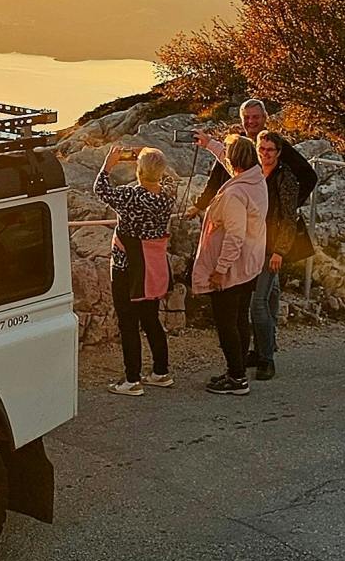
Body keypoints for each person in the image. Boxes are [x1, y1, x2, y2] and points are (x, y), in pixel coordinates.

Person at [93, 144, 175, 395]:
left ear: (138, 170)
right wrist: (150, 155)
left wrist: (109, 162)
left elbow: (100, 188)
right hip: (154, 266)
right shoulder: (167, 196)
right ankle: (161, 372)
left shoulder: (130, 196)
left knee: (128, 323)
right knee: (151, 320)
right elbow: (171, 179)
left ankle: (132, 379)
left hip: (127, 267)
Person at [190, 132, 267, 396]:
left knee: (227, 324)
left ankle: (236, 379)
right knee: (240, 319)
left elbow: (235, 235)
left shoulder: (235, 193)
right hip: (251, 264)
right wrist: (210, 144)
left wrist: (220, 270)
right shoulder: (256, 179)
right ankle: (239, 370)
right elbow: (231, 161)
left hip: (233, 268)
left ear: (236, 163)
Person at [250, 128, 317, 380]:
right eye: (261, 149)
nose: (265, 154)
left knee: (257, 303)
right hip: (255, 243)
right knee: (270, 296)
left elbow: (290, 218)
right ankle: (263, 347)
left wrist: (279, 251)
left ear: (279, 153)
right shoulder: (255, 174)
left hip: (272, 247)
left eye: (270, 150)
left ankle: (266, 359)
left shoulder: (285, 178)